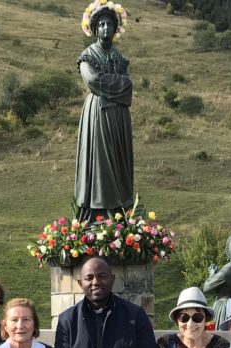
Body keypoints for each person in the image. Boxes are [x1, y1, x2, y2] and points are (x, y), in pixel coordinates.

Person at [74, 3, 133, 222]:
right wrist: (119, 83)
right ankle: (96, 212)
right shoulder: (87, 56)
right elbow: (94, 81)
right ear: (95, 29)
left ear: (115, 29)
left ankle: (119, 210)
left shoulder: (120, 59)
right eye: (102, 24)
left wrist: (116, 85)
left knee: (118, 161)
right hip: (97, 115)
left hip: (119, 117)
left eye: (110, 24)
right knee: (99, 158)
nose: (106, 28)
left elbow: (129, 84)